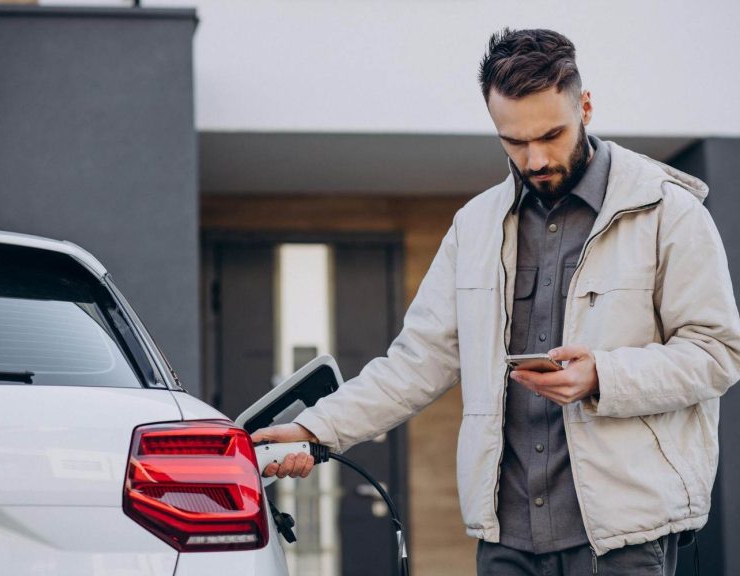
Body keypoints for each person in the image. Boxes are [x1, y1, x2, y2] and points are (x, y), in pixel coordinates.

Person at [251, 28, 740, 575]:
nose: (534, 159)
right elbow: (418, 361)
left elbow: (718, 352)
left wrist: (603, 375)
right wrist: (316, 428)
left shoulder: (668, 213)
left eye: (551, 135)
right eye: (513, 142)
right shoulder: (474, 227)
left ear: (586, 105)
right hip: (507, 536)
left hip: (624, 537)